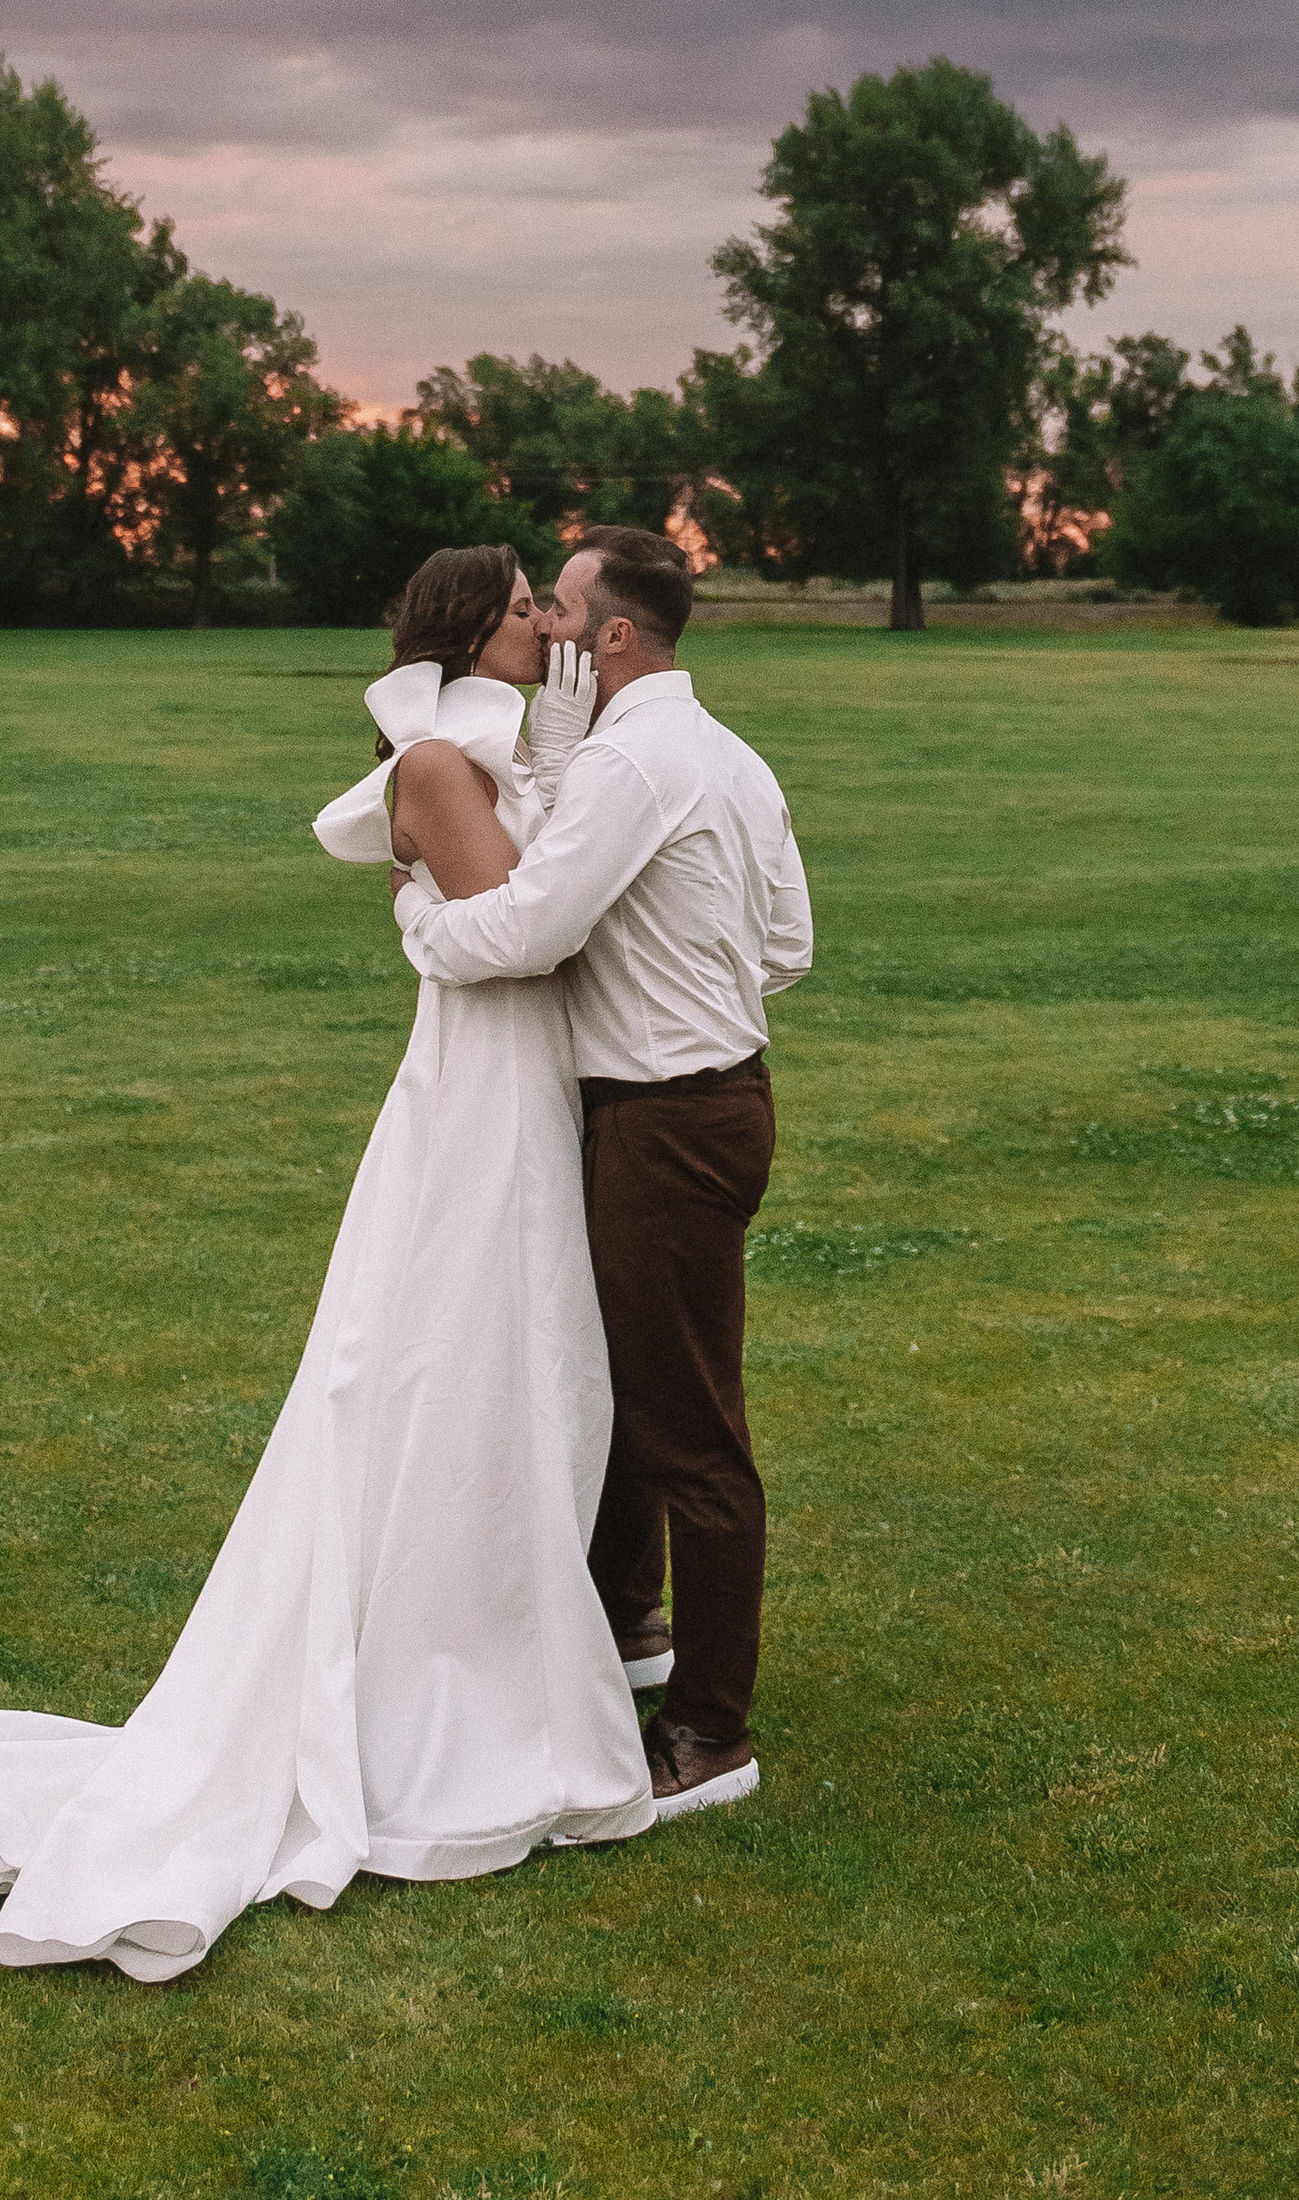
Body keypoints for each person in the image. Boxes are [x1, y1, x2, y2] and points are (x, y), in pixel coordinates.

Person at [0, 544, 652, 1985]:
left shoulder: (488, 746)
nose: (545, 626)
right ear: (468, 624)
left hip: (526, 1080)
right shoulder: (445, 761)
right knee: (457, 1349)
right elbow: (523, 937)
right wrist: (446, 905)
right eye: (525, 608)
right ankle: (435, 1680)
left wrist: (555, 784)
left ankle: (509, 1636)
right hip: (486, 1091)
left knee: (525, 1355)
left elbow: (517, 910)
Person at [395, 526, 812, 1818]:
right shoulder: (728, 754)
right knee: (631, 1381)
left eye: (563, 608)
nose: (551, 628)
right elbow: (786, 939)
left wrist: (424, 925)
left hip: (665, 1114)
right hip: (716, 1095)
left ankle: (709, 1730)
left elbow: (532, 927)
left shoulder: (633, 759)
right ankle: (633, 1623)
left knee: (688, 1423)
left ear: (613, 634)